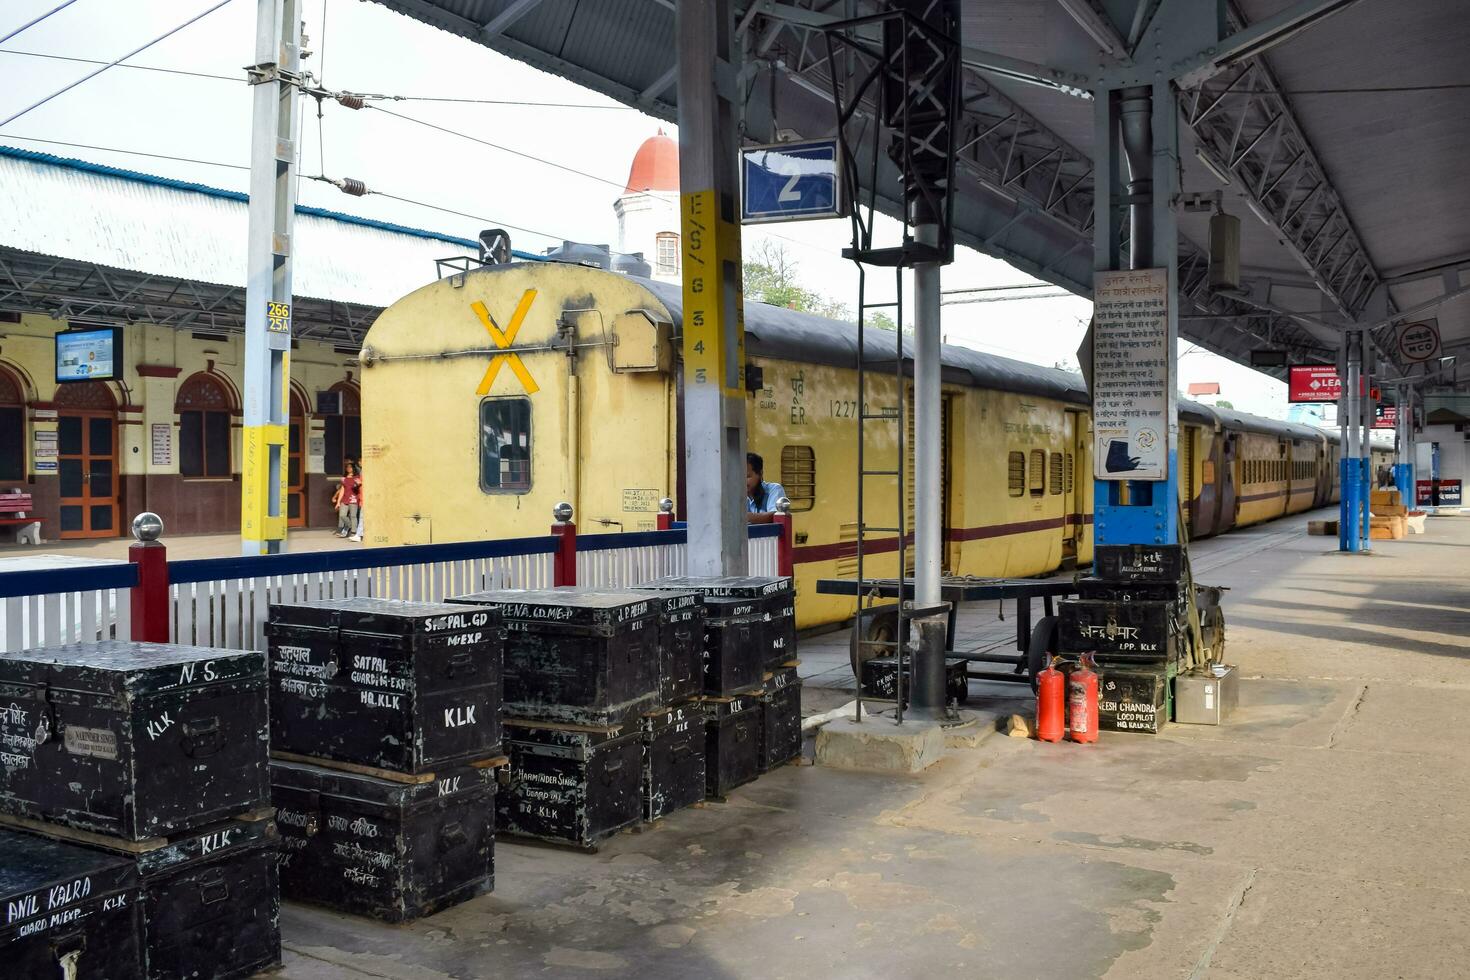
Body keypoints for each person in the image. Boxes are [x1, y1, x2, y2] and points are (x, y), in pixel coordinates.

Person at [745, 451, 786, 524]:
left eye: (747, 476)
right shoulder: (737, 496)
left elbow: (776, 515)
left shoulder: (774, 490)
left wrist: (746, 517)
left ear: (760, 474)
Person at [333, 463, 362, 539]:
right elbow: (342, 490)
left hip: (353, 499)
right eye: (347, 467)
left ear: (353, 468)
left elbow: (359, 489)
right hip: (344, 499)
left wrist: (359, 484)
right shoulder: (344, 478)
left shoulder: (357, 477)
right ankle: (349, 526)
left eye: (350, 467)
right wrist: (338, 502)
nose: (348, 468)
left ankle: (353, 532)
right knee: (342, 515)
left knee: (353, 516)